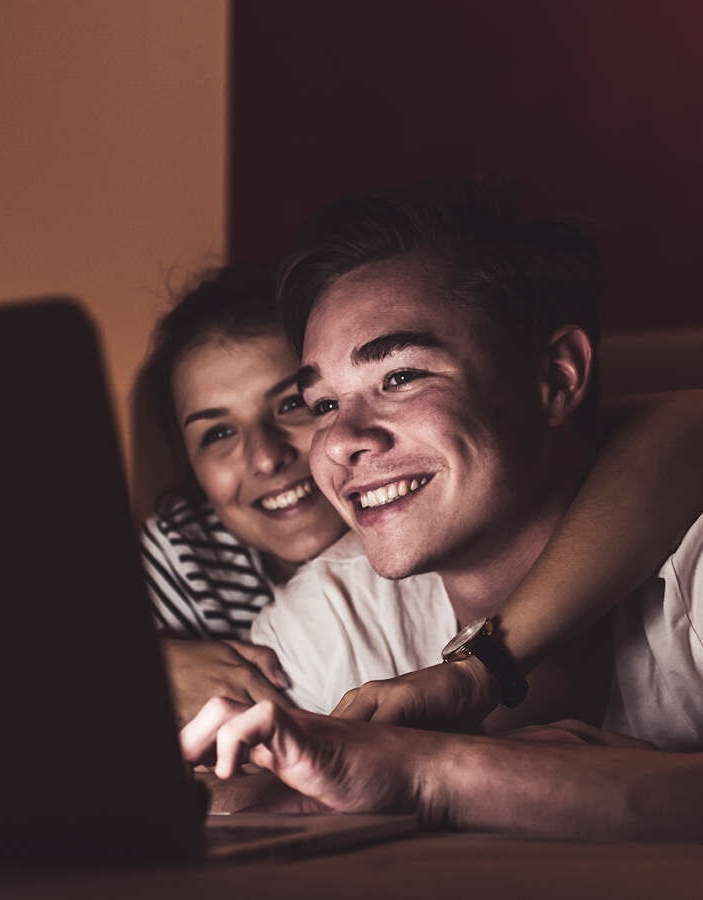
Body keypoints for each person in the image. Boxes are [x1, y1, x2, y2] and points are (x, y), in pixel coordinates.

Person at [179, 178, 703, 838]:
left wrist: (431, 772)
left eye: (399, 377)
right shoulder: (326, 619)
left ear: (557, 378)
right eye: (322, 405)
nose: (341, 441)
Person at [136, 263, 444, 721]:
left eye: (293, 405)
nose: (264, 457)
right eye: (217, 434)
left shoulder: (430, 517)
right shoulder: (186, 548)